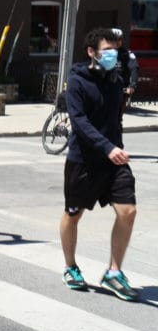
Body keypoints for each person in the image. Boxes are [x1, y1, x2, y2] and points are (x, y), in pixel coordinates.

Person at [60, 27, 138, 301]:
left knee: (127, 211)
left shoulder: (115, 79)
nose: (111, 56)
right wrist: (107, 147)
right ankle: (70, 267)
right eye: (106, 52)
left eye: (114, 52)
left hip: (114, 160)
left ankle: (114, 273)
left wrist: (115, 147)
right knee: (73, 215)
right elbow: (79, 123)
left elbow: (127, 65)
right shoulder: (77, 82)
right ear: (91, 52)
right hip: (84, 161)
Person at [112, 27, 138, 114]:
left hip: (121, 89)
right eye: (114, 39)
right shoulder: (103, 52)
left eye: (119, 39)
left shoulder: (127, 54)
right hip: (105, 88)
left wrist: (132, 85)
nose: (117, 41)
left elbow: (134, 69)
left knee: (117, 116)